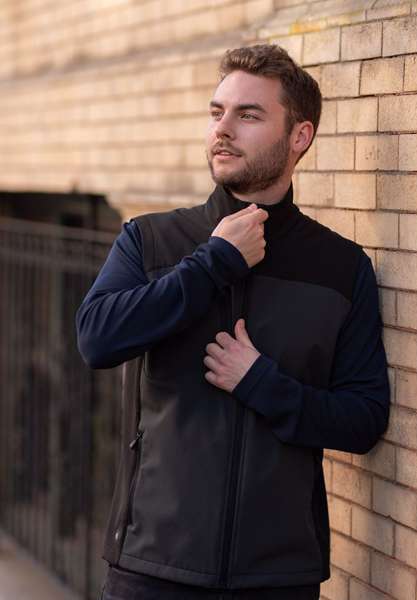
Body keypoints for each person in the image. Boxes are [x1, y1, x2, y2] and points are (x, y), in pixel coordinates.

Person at [76, 44, 391, 600]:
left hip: (278, 577)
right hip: (153, 568)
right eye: (217, 112)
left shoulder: (341, 268)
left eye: (248, 115)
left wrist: (261, 384)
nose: (223, 129)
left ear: (299, 136)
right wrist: (212, 264)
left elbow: (363, 419)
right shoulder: (151, 240)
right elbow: (96, 339)